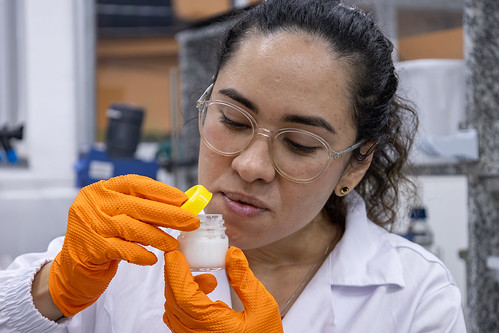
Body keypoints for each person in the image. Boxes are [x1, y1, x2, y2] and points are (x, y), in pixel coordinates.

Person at [0, 0, 467, 332]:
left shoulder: (413, 295)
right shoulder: (126, 250)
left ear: (355, 165)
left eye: (301, 144)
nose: (250, 165)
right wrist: (52, 288)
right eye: (232, 119)